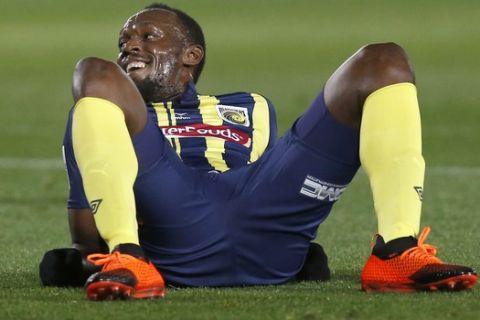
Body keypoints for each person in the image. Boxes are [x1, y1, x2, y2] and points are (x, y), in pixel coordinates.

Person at [39, 3, 477, 300]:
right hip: (174, 218)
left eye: (148, 36)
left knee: (384, 59)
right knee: (91, 72)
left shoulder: (248, 105)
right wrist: (84, 257)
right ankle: (129, 258)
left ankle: (396, 250)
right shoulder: (99, 117)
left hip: (261, 210)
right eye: (126, 40)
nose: (130, 46)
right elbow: (84, 238)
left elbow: (274, 175)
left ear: (192, 55)